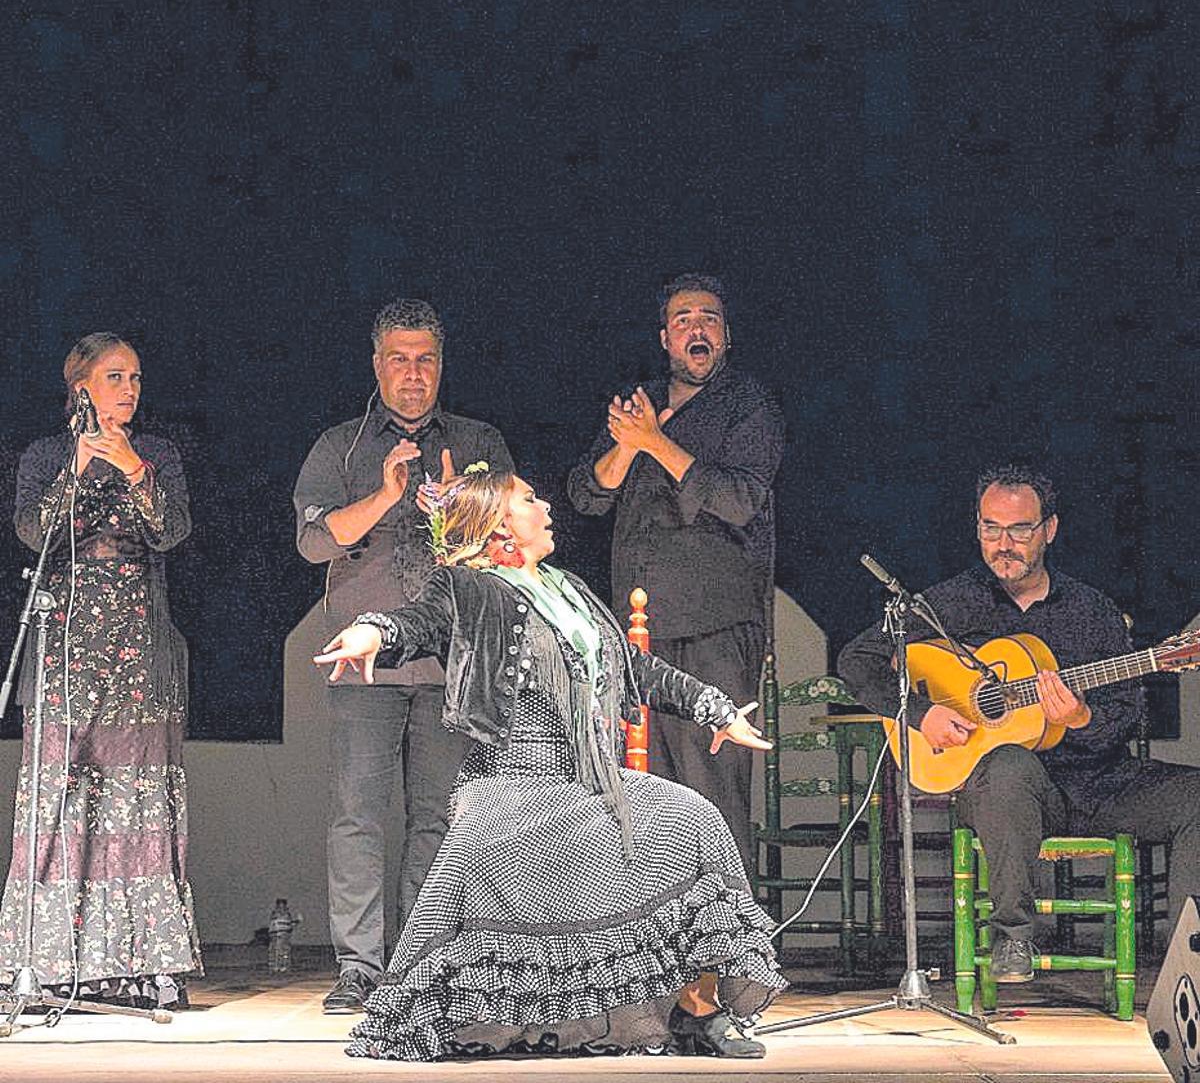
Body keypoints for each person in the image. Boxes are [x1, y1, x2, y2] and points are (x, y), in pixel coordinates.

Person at [313, 467, 786, 1061]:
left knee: (692, 818)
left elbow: (634, 670)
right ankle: (485, 1017)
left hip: (589, 778)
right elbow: (418, 623)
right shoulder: (467, 587)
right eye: (530, 500)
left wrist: (713, 708)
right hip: (511, 781)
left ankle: (697, 1009)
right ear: (499, 528)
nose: (546, 507)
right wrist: (372, 631)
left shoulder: (569, 591)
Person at [838, 463, 1200, 982]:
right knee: (1008, 763)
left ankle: (1188, 964)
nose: (1003, 545)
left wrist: (1080, 718)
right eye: (991, 529)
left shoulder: (1091, 611)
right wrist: (922, 713)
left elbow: (1128, 715)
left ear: (1049, 529)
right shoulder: (951, 603)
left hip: (1101, 785)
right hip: (1007, 796)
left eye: (1019, 530)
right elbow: (858, 659)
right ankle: (1013, 938)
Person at [293, 299, 514, 1013]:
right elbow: (313, 541)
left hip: (453, 658)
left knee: (439, 817)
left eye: (425, 360)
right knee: (357, 813)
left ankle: (419, 961)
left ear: (441, 366)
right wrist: (386, 495)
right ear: (376, 365)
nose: (413, 374)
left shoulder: (478, 440)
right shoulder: (342, 446)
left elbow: (513, 539)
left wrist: (462, 512)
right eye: (399, 359)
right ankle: (359, 966)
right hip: (365, 660)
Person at [0, 333, 200, 1009]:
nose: (130, 389)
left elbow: (171, 531)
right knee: (63, 800)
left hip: (140, 656)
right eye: (115, 376)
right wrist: (80, 469)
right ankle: (49, 961)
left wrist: (135, 470)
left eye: (136, 377)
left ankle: (151, 964)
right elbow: (34, 535)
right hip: (65, 651)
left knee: (138, 807)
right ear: (80, 385)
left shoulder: (157, 454)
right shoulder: (45, 455)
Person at [566, 274, 784, 871]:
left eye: (708, 318)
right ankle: (665, 926)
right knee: (646, 792)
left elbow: (739, 499)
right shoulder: (641, 404)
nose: (696, 329)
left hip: (715, 628)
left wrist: (656, 442)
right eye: (683, 320)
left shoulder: (749, 407)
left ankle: (730, 924)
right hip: (641, 632)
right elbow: (587, 495)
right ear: (665, 338)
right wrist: (631, 443)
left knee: (712, 791)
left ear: (726, 336)